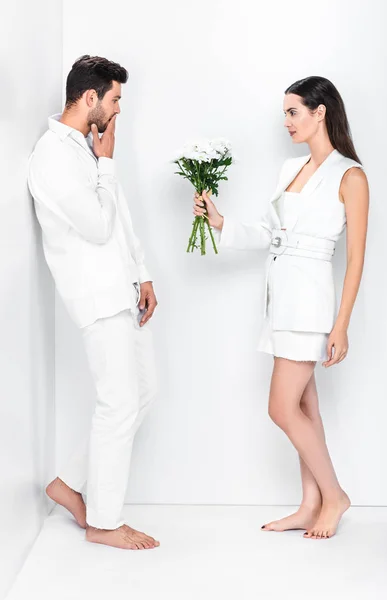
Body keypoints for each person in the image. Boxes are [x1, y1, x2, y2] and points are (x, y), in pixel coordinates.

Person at [193, 76, 369, 540]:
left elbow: (356, 260)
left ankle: (335, 496)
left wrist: (342, 325)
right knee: (305, 406)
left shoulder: (349, 175)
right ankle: (311, 503)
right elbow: (269, 233)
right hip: (280, 298)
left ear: (320, 112)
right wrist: (220, 221)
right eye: (285, 113)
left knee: (281, 407)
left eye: (294, 112)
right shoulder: (290, 170)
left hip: (310, 304)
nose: (287, 121)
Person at [28, 55, 160, 550]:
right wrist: (106, 160)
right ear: (90, 99)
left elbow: (118, 216)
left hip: (122, 291)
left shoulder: (86, 149)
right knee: (118, 403)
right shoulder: (52, 155)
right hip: (96, 297)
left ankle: (69, 483)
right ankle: (103, 523)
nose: (118, 111)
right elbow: (96, 225)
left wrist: (142, 273)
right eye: (115, 100)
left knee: (142, 394)